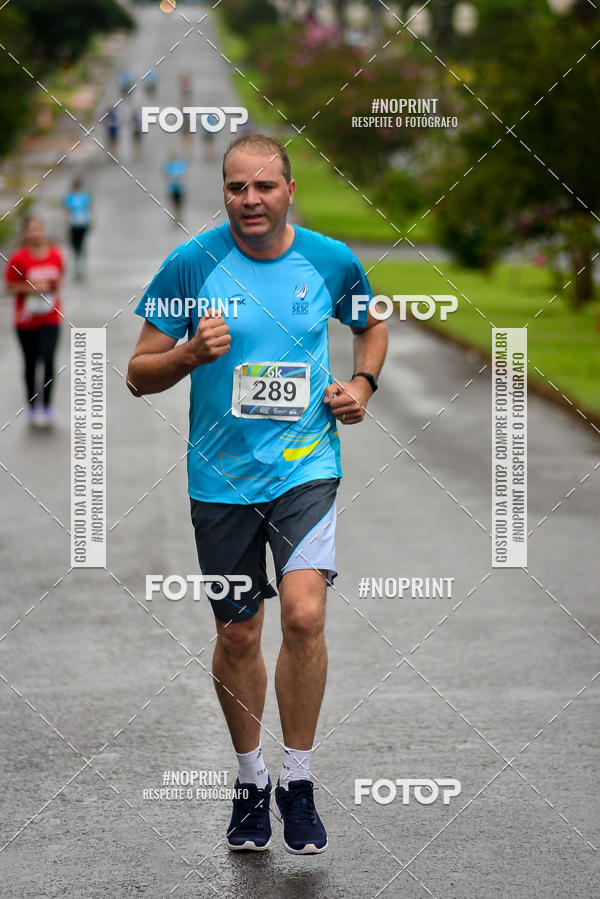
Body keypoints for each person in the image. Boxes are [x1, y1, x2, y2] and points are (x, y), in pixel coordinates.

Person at [126, 134, 387, 854]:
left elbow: (373, 324)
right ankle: (250, 782)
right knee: (238, 633)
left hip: (306, 467)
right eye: (237, 187)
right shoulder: (193, 263)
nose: (250, 200)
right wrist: (186, 354)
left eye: (264, 186)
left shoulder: (331, 260)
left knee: (303, 614)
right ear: (224, 192)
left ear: (289, 190)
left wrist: (361, 386)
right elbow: (137, 371)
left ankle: (297, 780)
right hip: (220, 479)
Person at [5, 216, 65, 427]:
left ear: (43, 231)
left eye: (38, 230)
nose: (35, 234)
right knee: (30, 363)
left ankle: (47, 407)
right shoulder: (18, 259)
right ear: (26, 234)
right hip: (25, 321)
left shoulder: (56, 255)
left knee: (48, 360)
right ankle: (32, 407)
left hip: (51, 318)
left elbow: (61, 280)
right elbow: (9, 287)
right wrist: (32, 288)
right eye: (31, 230)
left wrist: (51, 286)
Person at [63, 177, 92, 278]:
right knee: (74, 244)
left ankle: (82, 264)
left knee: (82, 243)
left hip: (83, 223)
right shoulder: (69, 197)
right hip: (73, 223)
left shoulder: (85, 197)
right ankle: (76, 262)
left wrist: (91, 221)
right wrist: (65, 223)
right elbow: (66, 211)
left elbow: (89, 209)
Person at [162, 154, 188, 224]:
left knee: (176, 204)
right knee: (177, 204)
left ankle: (177, 217)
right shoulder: (180, 166)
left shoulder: (171, 166)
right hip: (177, 189)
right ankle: (177, 217)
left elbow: (166, 176)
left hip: (176, 189)